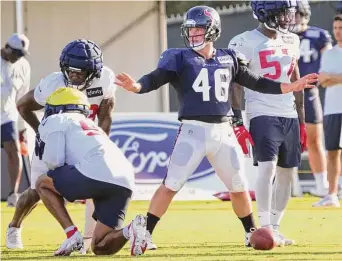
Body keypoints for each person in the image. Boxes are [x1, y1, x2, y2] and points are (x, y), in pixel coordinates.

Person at [115, 5, 317, 253]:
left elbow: (256, 82)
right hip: (193, 130)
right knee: (171, 184)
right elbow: (156, 77)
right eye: (191, 30)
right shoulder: (178, 57)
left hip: (223, 131)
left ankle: (250, 232)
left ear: (212, 31)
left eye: (199, 29)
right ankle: (146, 231)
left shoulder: (228, 57)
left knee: (239, 186)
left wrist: (289, 86)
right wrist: (137, 86)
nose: (194, 35)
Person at [6, 39, 115, 253]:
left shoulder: (105, 80)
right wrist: (41, 132)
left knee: (99, 181)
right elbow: (22, 106)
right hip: (53, 139)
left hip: (82, 139)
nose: (73, 76)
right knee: (38, 189)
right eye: (70, 71)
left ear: (93, 72)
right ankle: (14, 227)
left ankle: (85, 238)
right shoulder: (53, 83)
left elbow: (106, 115)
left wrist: (102, 142)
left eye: (80, 72)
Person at [228, 0, 306, 246]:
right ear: (266, 14)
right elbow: (236, 82)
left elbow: (296, 78)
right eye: (283, 13)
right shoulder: (243, 41)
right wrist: (238, 119)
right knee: (267, 168)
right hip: (261, 111)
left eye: (289, 13)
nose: (287, 18)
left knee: (287, 174)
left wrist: (302, 120)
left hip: (289, 113)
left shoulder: (292, 40)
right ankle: (263, 227)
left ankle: (276, 226)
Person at [34, 87, 146, 256]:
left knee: (42, 183)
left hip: (95, 172)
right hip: (125, 178)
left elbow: (54, 161)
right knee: (100, 247)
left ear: (56, 107)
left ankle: (72, 235)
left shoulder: (57, 119)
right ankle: (131, 229)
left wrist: (66, 186)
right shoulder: (91, 124)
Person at [294, 0, 332, 198]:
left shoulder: (319, 35)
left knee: (315, 140)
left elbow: (329, 60)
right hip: (285, 93)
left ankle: (322, 184)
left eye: (297, 14)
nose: (294, 18)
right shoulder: (281, 37)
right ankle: (282, 186)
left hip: (309, 92)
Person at [314, 14, 342, 207]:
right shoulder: (329, 53)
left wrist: (332, 78)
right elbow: (322, 80)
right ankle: (331, 195)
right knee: (332, 151)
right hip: (332, 110)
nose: (338, 31)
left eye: (341, 27)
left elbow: (327, 78)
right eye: (336, 28)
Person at [1, 33, 31, 207]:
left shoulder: (23, 66)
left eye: (22, 54)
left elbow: (22, 96)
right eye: (16, 53)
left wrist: (22, 126)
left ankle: (14, 194)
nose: (18, 57)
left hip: (8, 115)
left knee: (14, 150)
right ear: (7, 48)